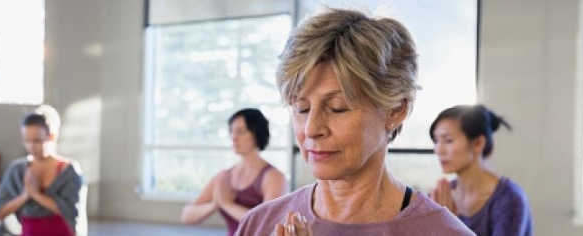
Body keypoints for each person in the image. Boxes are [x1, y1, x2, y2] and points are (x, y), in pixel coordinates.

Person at [235, 7, 474, 236]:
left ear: (396, 110)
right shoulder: (259, 224)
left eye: (337, 108)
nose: (311, 129)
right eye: (302, 108)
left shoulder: (444, 232)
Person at [181, 108, 288, 236]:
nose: (234, 137)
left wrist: (227, 204)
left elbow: (267, 224)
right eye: (231, 131)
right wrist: (214, 205)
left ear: (256, 133)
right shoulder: (224, 176)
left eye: (240, 131)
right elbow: (186, 216)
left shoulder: (273, 177)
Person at [429, 104, 532, 236]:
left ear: (478, 143)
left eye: (448, 140)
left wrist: (447, 225)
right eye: (436, 141)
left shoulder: (510, 199)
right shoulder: (442, 196)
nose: (438, 150)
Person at [0, 105, 85, 236]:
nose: (31, 147)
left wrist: (37, 195)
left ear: (51, 137)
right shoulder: (17, 170)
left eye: (37, 141)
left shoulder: (68, 170)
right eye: (26, 141)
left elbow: (71, 211)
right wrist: (25, 196)